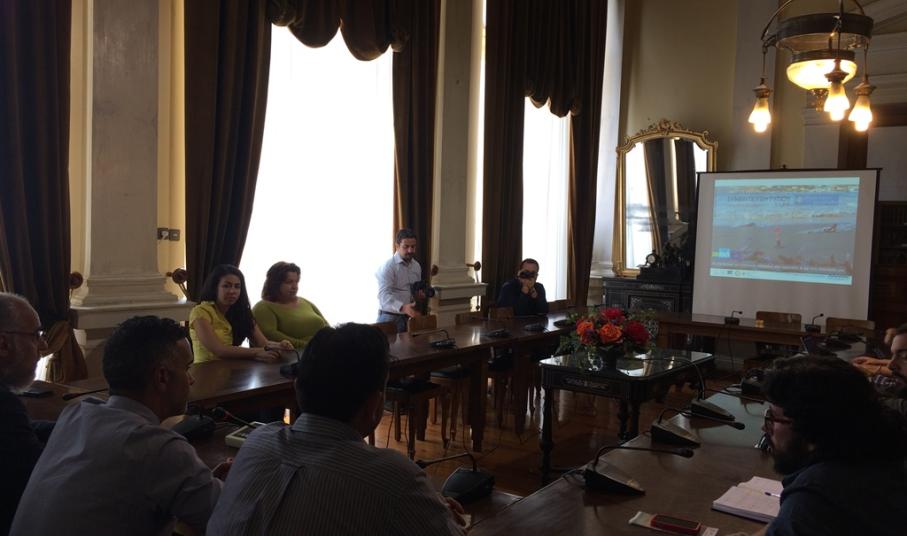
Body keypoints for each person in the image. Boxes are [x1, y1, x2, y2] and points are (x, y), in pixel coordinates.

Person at [206, 323, 467, 535]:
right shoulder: (394, 477)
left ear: (297, 390)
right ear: (374, 405)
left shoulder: (257, 441)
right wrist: (440, 515)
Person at [11, 316, 229, 535]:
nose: (191, 379)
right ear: (162, 376)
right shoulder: (159, 448)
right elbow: (230, 517)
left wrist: (192, 483)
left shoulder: (76, 416)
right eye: (187, 368)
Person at [760, 356, 907, 536]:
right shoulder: (882, 453)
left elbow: (801, 516)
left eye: (772, 418)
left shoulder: (811, 501)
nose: (764, 428)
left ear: (810, 427)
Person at [0, 293, 50, 534]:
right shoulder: (4, 406)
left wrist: (71, 425)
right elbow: (42, 479)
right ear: (3, 344)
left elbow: (22, 429)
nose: (44, 346)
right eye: (36, 335)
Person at [190, 264, 292, 363]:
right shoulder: (200, 312)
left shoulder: (242, 311)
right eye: (226, 286)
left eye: (237, 286)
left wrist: (279, 346)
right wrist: (257, 352)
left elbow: (262, 343)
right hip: (204, 370)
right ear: (215, 288)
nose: (232, 291)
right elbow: (219, 350)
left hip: (234, 368)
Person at [253, 261, 328, 348]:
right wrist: (309, 347)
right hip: (299, 354)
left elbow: (326, 325)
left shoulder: (304, 301)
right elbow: (271, 336)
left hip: (325, 349)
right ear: (275, 284)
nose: (295, 287)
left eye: (297, 282)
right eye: (289, 282)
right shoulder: (263, 307)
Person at [376, 228, 423, 332]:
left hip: (409, 316)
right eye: (406, 247)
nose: (410, 250)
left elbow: (414, 292)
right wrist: (403, 307)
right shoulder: (388, 266)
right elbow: (383, 296)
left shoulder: (416, 266)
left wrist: (419, 295)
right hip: (389, 318)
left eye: (413, 247)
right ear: (397, 246)